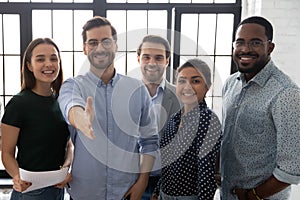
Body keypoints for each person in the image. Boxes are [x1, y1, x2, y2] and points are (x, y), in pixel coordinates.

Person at [58, 16, 159, 200]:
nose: (100, 48)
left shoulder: (137, 90)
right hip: (85, 193)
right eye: (92, 42)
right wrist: (80, 117)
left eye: (106, 41)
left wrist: (142, 182)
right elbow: (69, 104)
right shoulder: (73, 85)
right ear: (84, 48)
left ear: (116, 46)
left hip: (127, 192)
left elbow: (150, 141)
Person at [221, 16, 300, 200]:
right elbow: (229, 138)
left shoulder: (286, 94)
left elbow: (292, 168)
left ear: (270, 47)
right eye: (240, 42)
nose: (245, 49)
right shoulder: (230, 84)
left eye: (255, 42)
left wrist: (252, 196)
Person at [1, 38, 72, 200]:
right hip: (30, 191)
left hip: (58, 189)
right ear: (29, 66)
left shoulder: (62, 101)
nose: (48, 64)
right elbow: (6, 153)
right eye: (40, 59)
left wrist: (66, 168)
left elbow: (69, 144)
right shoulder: (18, 104)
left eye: (53, 59)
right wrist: (17, 177)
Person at [153, 58, 222, 200]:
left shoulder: (208, 121)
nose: (187, 87)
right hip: (164, 195)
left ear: (208, 86)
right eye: (182, 81)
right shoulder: (174, 119)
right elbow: (168, 163)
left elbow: (206, 175)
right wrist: (157, 190)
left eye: (195, 81)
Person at [137, 35, 181, 200]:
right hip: (132, 180)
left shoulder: (182, 97)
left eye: (158, 57)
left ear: (167, 61)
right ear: (138, 59)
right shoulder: (125, 96)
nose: (152, 63)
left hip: (168, 183)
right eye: (146, 57)